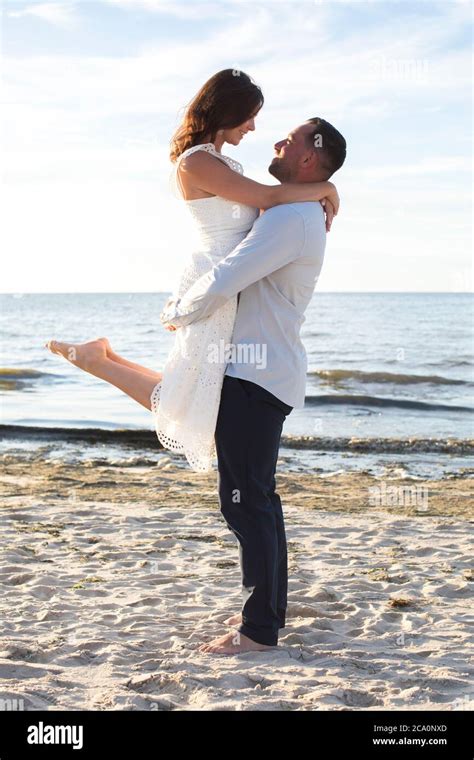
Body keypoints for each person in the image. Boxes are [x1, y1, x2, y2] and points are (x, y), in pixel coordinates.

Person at [44, 69, 339, 474]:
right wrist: (326, 188)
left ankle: (100, 357)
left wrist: (321, 190)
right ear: (226, 111)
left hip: (224, 285)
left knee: (194, 389)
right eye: (248, 116)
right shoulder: (197, 162)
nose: (253, 127)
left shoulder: (217, 161)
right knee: (190, 399)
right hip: (213, 283)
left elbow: (269, 203)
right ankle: (96, 361)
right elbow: (269, 197)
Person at [160, 115, 347, 654]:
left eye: (288, 138)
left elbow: (230, 274)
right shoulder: (301, 210)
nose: (277, 142)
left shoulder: (292, 219)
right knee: (258, 500)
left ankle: (259, 629)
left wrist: (179, 310)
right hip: (262, 371)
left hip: (255, 376)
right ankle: (266, 616)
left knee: (245, 503)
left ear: (309, 158)